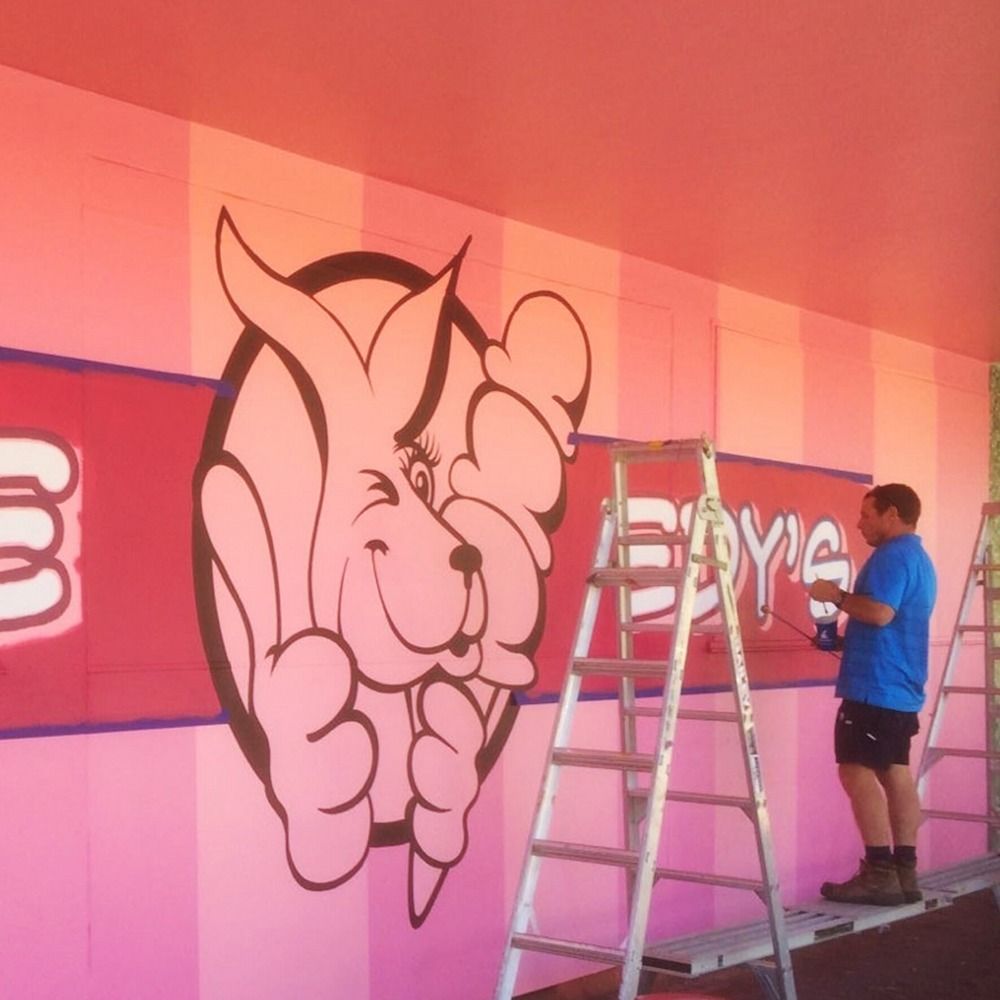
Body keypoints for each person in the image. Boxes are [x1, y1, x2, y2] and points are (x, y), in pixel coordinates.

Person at [808, 483, 936, 906]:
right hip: (898, 686)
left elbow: (880, 612)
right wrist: (847, 641)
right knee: (894, 771)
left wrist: (838, 597)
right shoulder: (918, 557)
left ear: (892, 514)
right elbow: (891, 619)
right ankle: (904, 872)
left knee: (855, 770)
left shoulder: (892, 555)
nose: (860, 522)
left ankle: (880, 872)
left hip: (875, 687)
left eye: (867, 515)